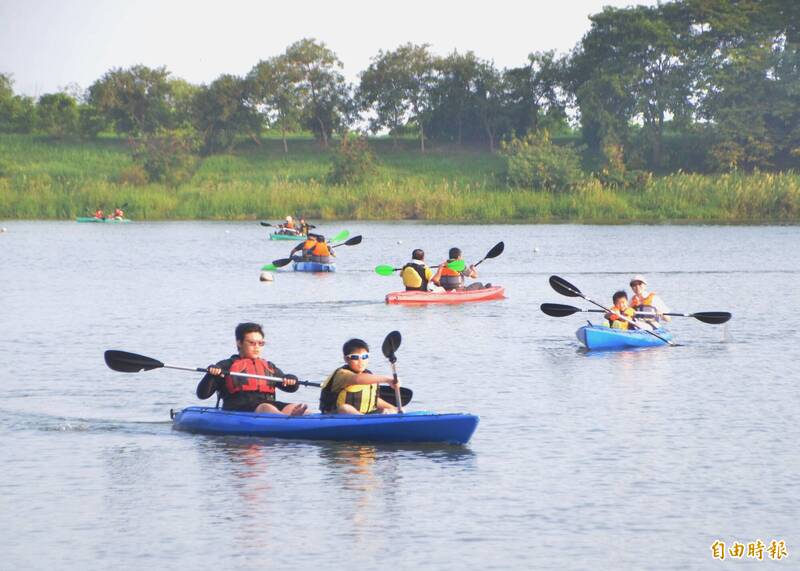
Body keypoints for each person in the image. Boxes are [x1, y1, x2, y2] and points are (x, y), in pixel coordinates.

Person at [196, 322, 308, 415]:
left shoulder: (269, 367)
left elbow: (291, 388)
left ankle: (299, 417)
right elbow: (202, 395)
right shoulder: (226, 366)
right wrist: (211, 374)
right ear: (239, 343)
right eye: (252, 343)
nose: (257, 347)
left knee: (295, 407)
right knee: (266, 408)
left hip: (267, 405)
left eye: (260, 343)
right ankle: (286, 420)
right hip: (239, 408)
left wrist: (291, 379)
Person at [319, 338, 399, 414]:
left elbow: (373, 400)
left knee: (392, 410)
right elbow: (357, 379)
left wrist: (394, 409)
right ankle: (366, 422)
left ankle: (367, 421)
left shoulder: (369, 376)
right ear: (346, 359)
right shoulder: (342, 374)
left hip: (364, 415)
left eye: (365, 357)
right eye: (355, 357)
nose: (361, 361)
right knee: (345, 408)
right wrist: (388, 379)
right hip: (335, 416)